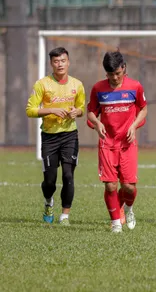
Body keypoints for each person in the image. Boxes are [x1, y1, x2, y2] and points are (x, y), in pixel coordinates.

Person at [87, 51, 147, 233]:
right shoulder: (98, 88)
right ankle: (115, 223)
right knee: (110, 184)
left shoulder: (135, 86)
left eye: (117, 74)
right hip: (107, 143)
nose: (114, 78)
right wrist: (97, 123)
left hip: (127, 143)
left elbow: (143, 109)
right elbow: (90, 112)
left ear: (124, 68)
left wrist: (134, 126)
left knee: (128, 187)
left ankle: (128, 209)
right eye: (110, 74)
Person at [26, 47, 85, 225]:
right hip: (49, 137)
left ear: (68, 62)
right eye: (56, 61)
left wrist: (77, 112)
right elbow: (30, 110)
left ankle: (65, 215)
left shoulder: (77, 85)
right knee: (49, 181)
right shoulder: (42, 84)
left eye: (63, 61)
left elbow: (82, 108)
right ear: (51, 63)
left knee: (68, 175)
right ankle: (48, 202)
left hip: (70, 135)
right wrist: (50, 110)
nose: (60, 64)